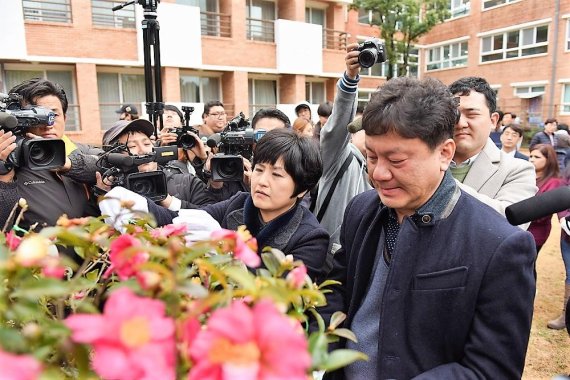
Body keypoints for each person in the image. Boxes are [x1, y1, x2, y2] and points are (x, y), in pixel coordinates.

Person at [318, 75, 536, 379]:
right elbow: (338, 291)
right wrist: (320, 346)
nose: (378, 173)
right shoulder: (361, 210)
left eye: (397, 160)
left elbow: (491, 368)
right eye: (371, 156)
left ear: (445, 153)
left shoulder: (499, 246)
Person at [201, 128, 329, 282]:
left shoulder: (311, 238)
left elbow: (283, 292)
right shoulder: (238, 203)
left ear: (302, 189)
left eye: (276, 174)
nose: (262, 182)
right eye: (259, 169)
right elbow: (192, 217)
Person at [0, 78, 102, 231]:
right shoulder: (10, 159)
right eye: (37, 116)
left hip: (90, 251)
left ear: (65, 118)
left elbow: (109, 166)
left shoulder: (79, 150)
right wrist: (4, 176)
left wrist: (68, 164)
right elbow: (3, 225)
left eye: (54, 115)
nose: (48, 124)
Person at [449, 76, 537, 226]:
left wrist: (440, 184)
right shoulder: (422, 161)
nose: (460, 123)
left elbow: (510, 224)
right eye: (453, 115)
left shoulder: (518, 170)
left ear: (493, 120)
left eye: (472, 114)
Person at [314, 43, 372, 257]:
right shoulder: (339, 156)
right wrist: (350, 77)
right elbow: (336, 128)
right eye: (370, 127)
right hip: (328, 261)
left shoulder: (387, 168)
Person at [101, 119, 215, 212]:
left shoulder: (187, 182)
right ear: (114, 157)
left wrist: (170, 202)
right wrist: (103, 198)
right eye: (132, 146)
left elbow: (214, 216)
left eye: (146, 143)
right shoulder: (110, 191)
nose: (143, 150)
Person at [527, 144, 565, 252]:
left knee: (528, 266)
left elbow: (544, 212)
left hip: (535, 233)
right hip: (516, 229)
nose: (532, 160)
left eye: (537, 157)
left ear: (548, 160)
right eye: (531, 156)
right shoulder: (526, 176)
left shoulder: (554, 182)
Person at [157, 104, 209, 179]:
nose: (169, 116)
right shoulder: (151, 143)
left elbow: (204, 179)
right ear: (157, 123)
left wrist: (202, 158)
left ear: (182, 123)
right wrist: (160, 147)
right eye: (165, 114)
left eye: (174, 114)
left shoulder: (190, 143)